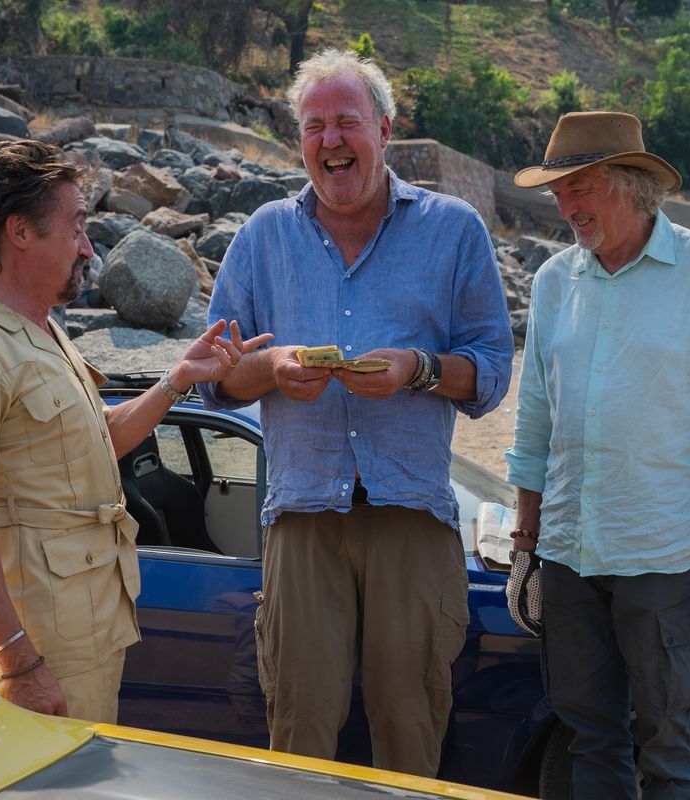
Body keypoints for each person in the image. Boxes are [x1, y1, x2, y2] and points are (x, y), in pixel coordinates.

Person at [198, 50, 513, 778]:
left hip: (414, 516)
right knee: (299, 728)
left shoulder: (454, 229)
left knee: (411, 729)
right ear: (299, 139)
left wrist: (420, 370)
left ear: (385, 129)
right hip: (303, 516)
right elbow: (217, 379)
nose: (331, 140)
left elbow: (491, 375)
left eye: (347, 122)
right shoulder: (262, 236)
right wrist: (271, 370)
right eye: (314, 126)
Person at [0, 140, 270, 723]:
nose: (87, 247)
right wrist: (18, 662)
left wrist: (178, 378)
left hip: (89, 622)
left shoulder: (41, 333)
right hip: (43, 640)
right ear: (21, 233)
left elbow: (98, 441)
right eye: (76, 226)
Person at [504, 111, 690, 799]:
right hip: (569, 556)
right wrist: (525, 545)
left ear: (632, 186)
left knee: (671, 745)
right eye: (558, 194)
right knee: (589, 739)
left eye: (581, 188)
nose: (567, 208)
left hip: (664, 559)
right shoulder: (552, 283)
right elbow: (535, 422)